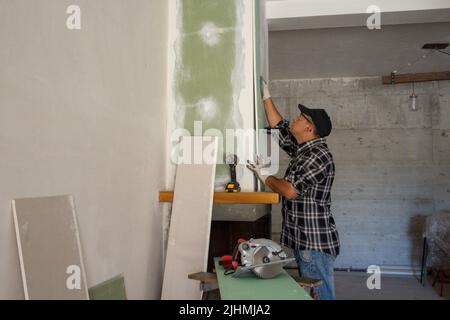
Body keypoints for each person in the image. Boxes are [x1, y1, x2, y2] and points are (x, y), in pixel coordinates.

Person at [247, 78, 340, 300]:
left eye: (301, 118)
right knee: (313, 294)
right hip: (306, 241)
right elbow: (279, 127)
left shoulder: (318, 156)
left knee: (320, 294)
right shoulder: (304, 150)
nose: (295, 119)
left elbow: (289, 190)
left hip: (314, 244)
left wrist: (264, 176)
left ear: (309, 128)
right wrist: (266, 96)